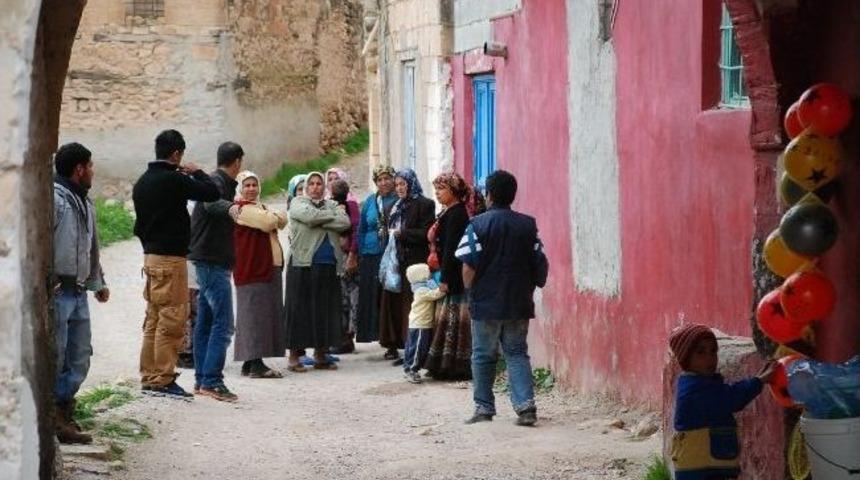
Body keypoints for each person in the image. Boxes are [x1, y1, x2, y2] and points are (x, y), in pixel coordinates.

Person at [457, 170, 548, 426]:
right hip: (518, 301)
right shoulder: (528, 225)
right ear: (512, 195)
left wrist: (469, 291)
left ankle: (484, 407)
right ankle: (526, 407)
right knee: (517, 352)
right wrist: (533, 285)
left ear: (489, 195)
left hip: (486, 302)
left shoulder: (477, 225)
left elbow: (468, 266)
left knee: (482, 355)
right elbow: (540, 261)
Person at [133, 129, 220, 398]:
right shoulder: (174, 179)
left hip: (150, 257)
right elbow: (212, 192)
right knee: (171, 320)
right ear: (176, 154)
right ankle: (163, 378)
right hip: (171, 259)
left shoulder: (143, 181)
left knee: (153, 319)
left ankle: (149, 375)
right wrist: (197, 172)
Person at [51, 143, 110, 444]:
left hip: (78, 292)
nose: (93, 171)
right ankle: (52, 418)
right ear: (79, 169)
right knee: (56, 355)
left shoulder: (84, 202)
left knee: (79, 356)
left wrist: (98, 282)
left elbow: (92, 245)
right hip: (57, 292)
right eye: (90, 166)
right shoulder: (54, 199)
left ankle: (64, 411)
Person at [669, 324, 776, 480]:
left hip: (705, 467)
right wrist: (759, 381)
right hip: (702, 471)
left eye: (713, 351)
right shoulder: (694, 389)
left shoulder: (698, 382)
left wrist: (758, 379)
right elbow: (730, 398)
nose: (710, 358)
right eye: (700, 352)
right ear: (685, 359)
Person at [188, 141, 244, 402]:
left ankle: (202, 379)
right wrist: (232, 208)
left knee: (206, 323)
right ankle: (212, 381)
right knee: (224, 324)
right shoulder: (217, 182)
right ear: (238, 162)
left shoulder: (217, 181)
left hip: (207, 260)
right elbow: (211, 205)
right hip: (211, 262)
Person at [284, 172, 351, 371]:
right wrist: (330, 216)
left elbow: (345, 223)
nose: (315, 187)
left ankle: (321, 355)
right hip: (302, 264)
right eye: (311, 184)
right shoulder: (298, 203)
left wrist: (319, 218)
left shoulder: (330, 204)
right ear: (306, 187)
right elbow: (309, 217)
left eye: (319, 183)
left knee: (325, 311)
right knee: (299, 311)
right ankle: (294, 357)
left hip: (328, 264)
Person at [233, 171, 287, 378]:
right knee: (253, 315)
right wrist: (272, 215)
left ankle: (250, 361)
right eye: (246, 185)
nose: (251, 189)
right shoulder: (241, 209)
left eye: (254, 185)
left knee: (262, 314)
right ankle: (256, 364)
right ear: (240, 188)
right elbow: (269, 222)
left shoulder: (259, 208)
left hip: (265, 268)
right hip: (253, 269)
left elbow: (282, 219)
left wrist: (271, 215)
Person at [378, 168, 435, 363]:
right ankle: (396, 345)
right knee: (395, 304)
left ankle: (414, 349)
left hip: (416, 262)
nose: (399, 188)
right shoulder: (394, 206)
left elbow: (426, 233)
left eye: (403, 184)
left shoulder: (425, 204)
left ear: (411, 184)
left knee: (413, 305)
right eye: (397, 185)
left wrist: (403, 234)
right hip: (397, 262)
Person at [424, 172, 478, 380]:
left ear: (454, 191)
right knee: (447, 319)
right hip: (447, 273)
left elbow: (451, 250)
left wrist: (446, 279)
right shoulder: (448, 212)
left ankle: (454, 366)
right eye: (436, 189)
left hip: (454, 276)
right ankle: (444, 364)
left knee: (453, 319)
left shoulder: (456, 215)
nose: (437, 193)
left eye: (442, 189)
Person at [356, 165, 397, 346]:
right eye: (379, 180)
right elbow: (362, 229)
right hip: (370, 253)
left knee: (388, 296)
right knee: (371, 295)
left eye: (387, 178)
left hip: (392, 254)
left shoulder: (399, 200)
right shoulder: (371, 201)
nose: (384, 182)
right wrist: (358, 253)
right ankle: (374, 334)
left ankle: (391, 340)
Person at [329, 178, 360, 354]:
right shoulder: (328, 206)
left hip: (348, 257)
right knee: (338, 298)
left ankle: (347, 338)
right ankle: (340, 337)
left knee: (350, 298)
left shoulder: (352, 206)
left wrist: (353, 254)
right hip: (335, 257)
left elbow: (356, 229)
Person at [403, 263, 445, 384]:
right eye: (428, 273)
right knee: (417, 348)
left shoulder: (420, 288)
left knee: (413, 347)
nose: (430, 274)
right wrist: (444, 288)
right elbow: (436, 294)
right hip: (420, 324)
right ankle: (411, 369)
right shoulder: (421, 290)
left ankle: (409, 367)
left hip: (419, 323)